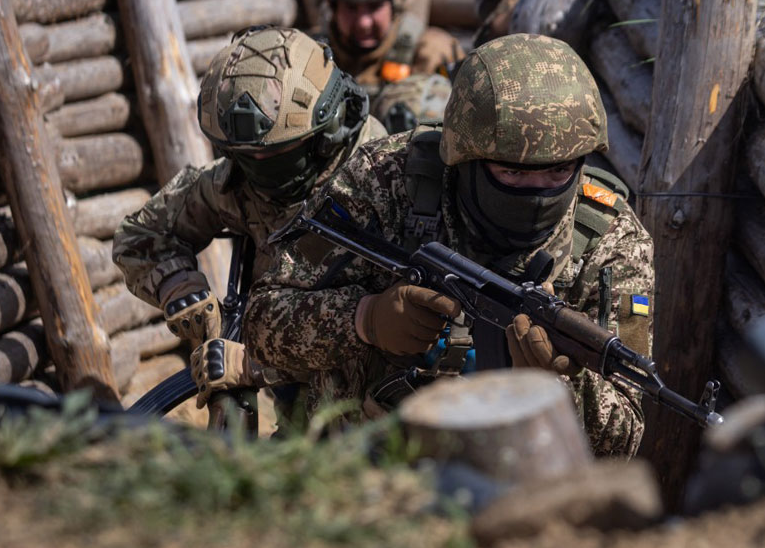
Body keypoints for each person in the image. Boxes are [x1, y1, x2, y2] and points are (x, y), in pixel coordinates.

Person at [234, 33, 654, 457]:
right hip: (362, 467)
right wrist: (364, 319)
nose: (537, 192)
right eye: (511, 173)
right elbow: (263, 322)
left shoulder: (612, 240)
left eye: (558, 172)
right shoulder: (384, 180)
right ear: (465, 157)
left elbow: (623, 438)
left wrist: (564, 385)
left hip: (519, 477)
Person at [112, 26, 387, 400]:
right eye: (245, 156)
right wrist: (177, 284)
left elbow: (384, 330)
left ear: (329, 130)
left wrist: (254, 365)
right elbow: (140, 235)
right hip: (296, 412)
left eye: (276, 155)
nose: (259, 168)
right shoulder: (237, 182)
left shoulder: (383, 186)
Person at [314, 0, 463, 129]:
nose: (364, 23)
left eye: (374, 7)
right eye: (351, 8)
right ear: (333, 7)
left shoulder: (432, 51)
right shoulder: (314, 55)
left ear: (393, 4)